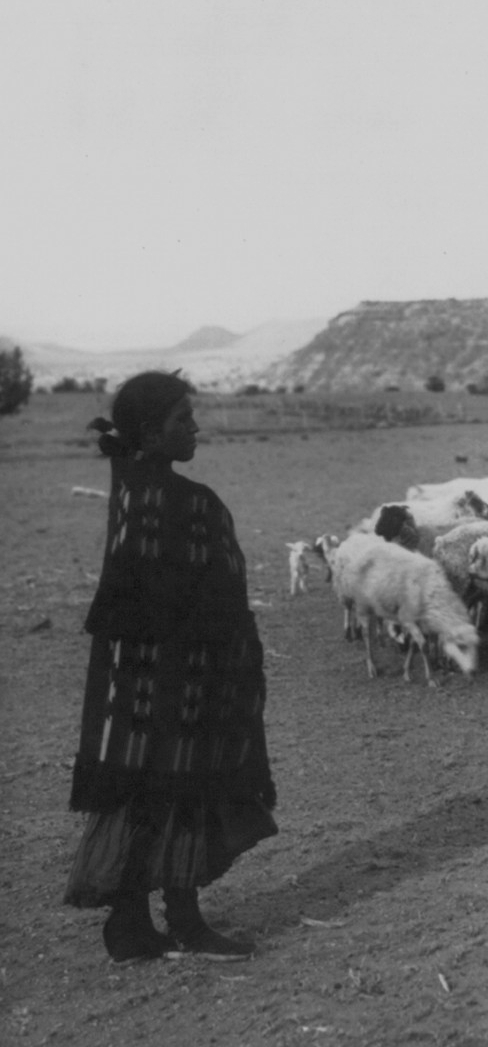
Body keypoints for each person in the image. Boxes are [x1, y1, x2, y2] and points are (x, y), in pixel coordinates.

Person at [65, 371, 277, 963]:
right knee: (178, 778)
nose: (195, 427)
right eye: (182, 419)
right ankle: (173, 921)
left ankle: (139, 924)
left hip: (139, 679)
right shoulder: (181, 502)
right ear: (150, 433)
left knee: (145, 784)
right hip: (178, 675)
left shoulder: (135, 491)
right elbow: (190, 594)